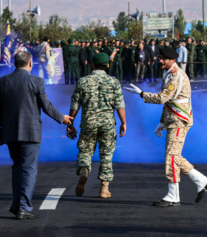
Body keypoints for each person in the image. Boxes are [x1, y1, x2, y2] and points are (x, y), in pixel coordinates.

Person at [124, 47, 207, 207]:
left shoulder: (175, 76)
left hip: (179, 120)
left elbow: (162, 99)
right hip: (174, 119)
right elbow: (170, 102)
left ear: (172, 60)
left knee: (171, 157)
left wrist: (141, 94)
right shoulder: (170, 74)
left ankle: (174, 195)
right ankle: (201, 181)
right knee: (175, 156)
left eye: (163, 59)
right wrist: (161, 122)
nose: (160, 61)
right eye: (161, 58)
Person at [0, 51, 73, 219]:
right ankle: (24, 207)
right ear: (30, 64)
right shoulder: (36, 81)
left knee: (17, 167)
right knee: (29, 169)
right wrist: (62, 118)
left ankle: (16, 204)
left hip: (10, 133)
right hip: (30, 133)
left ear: (14, 63)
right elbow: (46, 105)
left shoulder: (3, 82)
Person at [67, 52, 127, 199]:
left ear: (93, 65)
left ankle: (84, 172)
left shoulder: (83, 81)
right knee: (106, 154)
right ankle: (104, 189)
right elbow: (119, 105)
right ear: (106, 65)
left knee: (85, 151)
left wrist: (70, 122)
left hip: (88, 122)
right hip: (107, 124)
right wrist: (123, 122)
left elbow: (75, 104)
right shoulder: (113, 82)